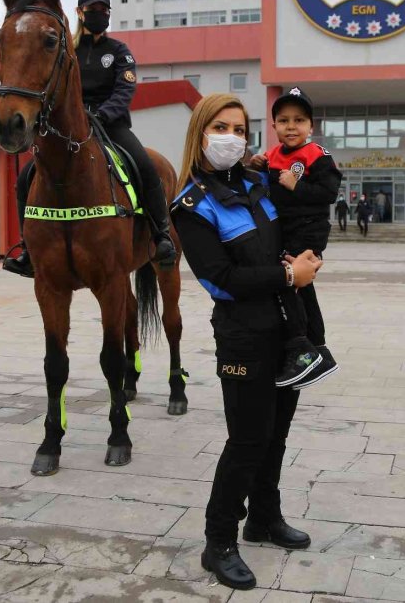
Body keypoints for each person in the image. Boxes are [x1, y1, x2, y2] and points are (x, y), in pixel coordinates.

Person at [171, 93, 322, 590]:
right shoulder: (191, 204)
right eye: (221, 127)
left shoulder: (259, 181)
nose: (231, 137)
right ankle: (219, 542)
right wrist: (288, 274)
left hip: (288, 328)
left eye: (239, 129)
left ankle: (263, 518)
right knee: (248, 439)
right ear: (201, 131)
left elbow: (303, 210)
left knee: (277, 433)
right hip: (244, 335)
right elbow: (221, 277)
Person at [3, 0, 175, 277]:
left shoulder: (119, 51)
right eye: (91, 10)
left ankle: (161, 235)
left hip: (111, 125)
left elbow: (125, 90)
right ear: (79, 13)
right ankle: (28, 248)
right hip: (70, 129)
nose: (97, 14)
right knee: (24, 179)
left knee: (145, 165)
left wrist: (102, 114)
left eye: (102, 10)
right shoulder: (65, 49)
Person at [251, 87, 342, 388]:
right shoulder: (272, 155)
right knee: (299, 287)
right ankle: (319, 349)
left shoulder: (317, 155)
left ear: (311, 127)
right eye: (284, 120)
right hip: (284, 230)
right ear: (274, 125)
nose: (292, 126)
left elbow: (328, 194)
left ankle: (302, 349)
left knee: (292, 283)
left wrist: (296, 186)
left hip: (308, 230)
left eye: (299, 120)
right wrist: (254, 166)